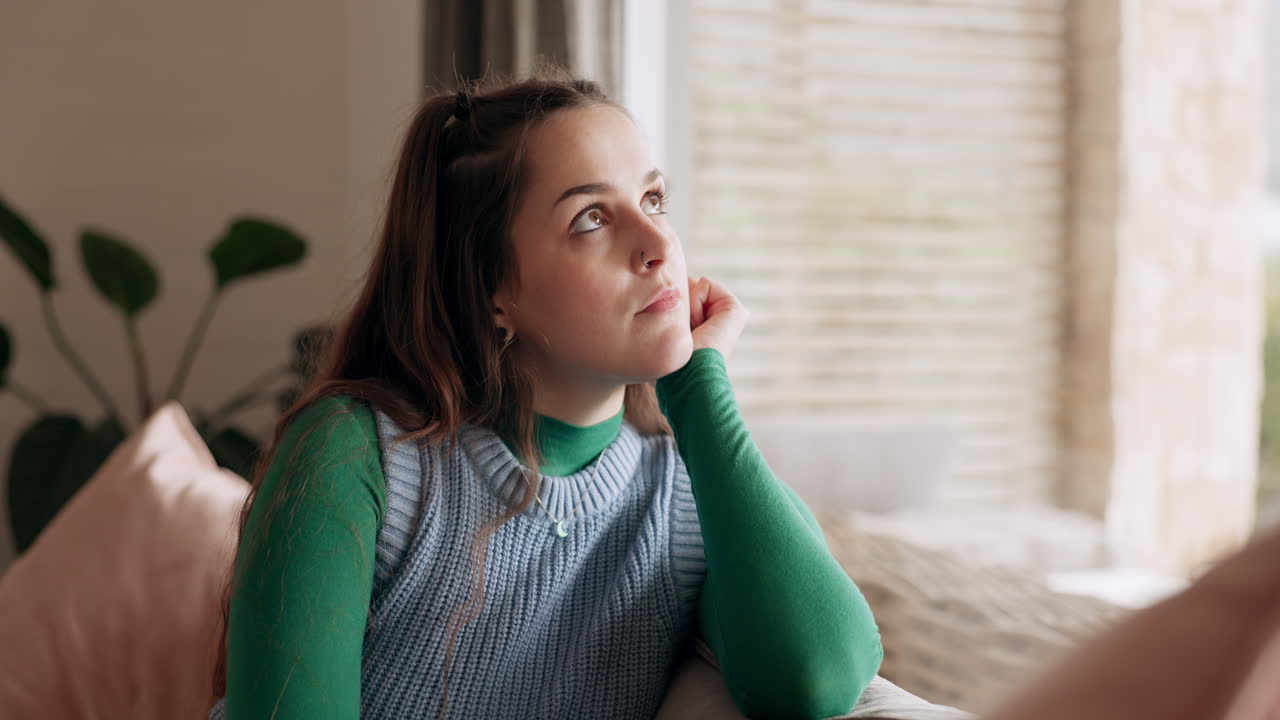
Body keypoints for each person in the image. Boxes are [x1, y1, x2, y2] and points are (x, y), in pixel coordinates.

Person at [208, 71, 883, 720]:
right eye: (592, 219)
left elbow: (815, 678)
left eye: (652, 200)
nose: (657, 245)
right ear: (493, 291)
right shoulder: (355, 455)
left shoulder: (685, 488)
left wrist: (698, 392)